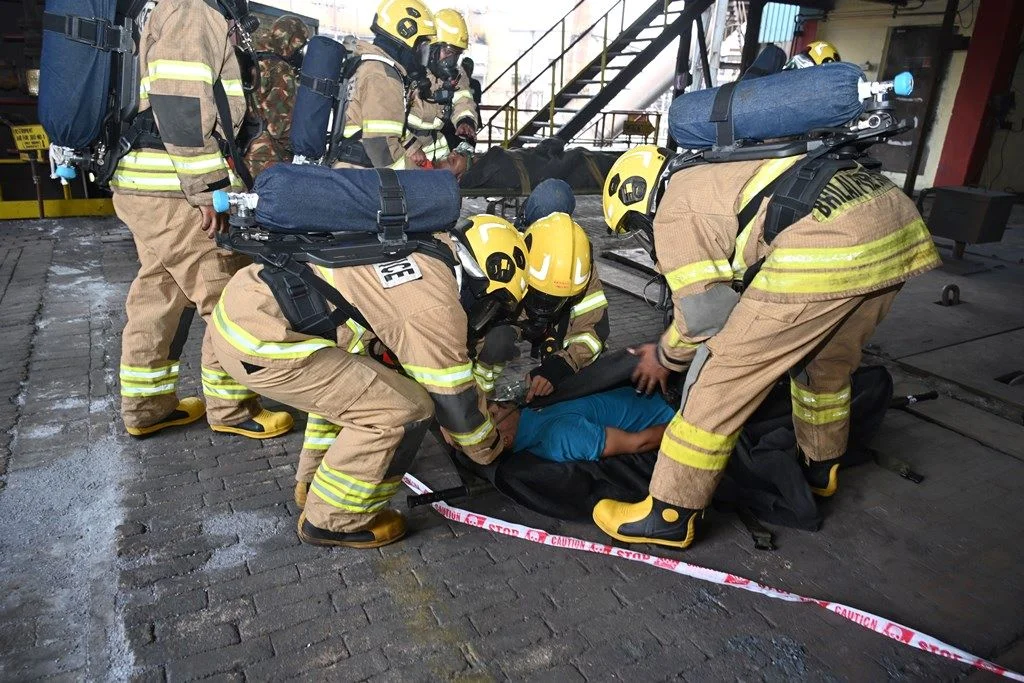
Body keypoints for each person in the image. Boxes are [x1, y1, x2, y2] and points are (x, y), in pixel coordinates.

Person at [592, 144, 941, 549]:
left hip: (826, 249)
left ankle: (670, 513)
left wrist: (665, 355)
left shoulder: (673, 207)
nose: (642, 234)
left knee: (720, 383)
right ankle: (821, 467)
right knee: (825, 364)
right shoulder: (715, 172)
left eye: (634, 224)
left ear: (639, 198)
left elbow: (704, 316)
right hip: (895, 228)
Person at [211, 214, 529, 547]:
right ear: (487, 277)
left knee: (360, 388)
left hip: (246, 311)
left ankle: (312, 483)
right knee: (404, 409)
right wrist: (488, 450)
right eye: (493, 306)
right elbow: (455, 400)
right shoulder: (436, 306)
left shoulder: (427, 249)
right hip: (263, 344)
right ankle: (334, 521)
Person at [111, 0, 292, 440]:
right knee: (226, 297)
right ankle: (232, 410)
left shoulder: (166, 7)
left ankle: (146, 407)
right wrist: (209, 188)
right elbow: (182, 106)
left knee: (159, 293)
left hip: (147, 185)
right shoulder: (192, 9)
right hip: (177, 191)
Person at [330, 0, 435, 170]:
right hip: (362, 173)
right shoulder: (383, 76)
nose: (421, 53)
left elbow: (377, 125)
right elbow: (381, 149)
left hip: (352, 168)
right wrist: (419, 177)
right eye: (420, 45)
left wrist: (412, 146)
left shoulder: (370, 65)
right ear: (405, 36)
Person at [490, 387, 676, 462]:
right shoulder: (560, 436)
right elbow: (638, 443)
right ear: (506, 439)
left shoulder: (535, 412)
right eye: (492, 415)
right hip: (675, 407)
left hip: (661, 388)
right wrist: (689, 423)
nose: (495, 407)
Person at [405, 8, 475, 175]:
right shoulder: (407, 72)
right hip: (404, 148)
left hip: (433, 150)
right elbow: (389, 118)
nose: (452, 61)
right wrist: (410, 146)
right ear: (431, 48)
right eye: (449, 52)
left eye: (457, 54)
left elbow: (463, 100)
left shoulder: (457, 75)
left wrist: (465, 121)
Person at [245, 15, 310, 176]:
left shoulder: (252, 58)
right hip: (268, 158)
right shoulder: (280, 69)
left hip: (244, 150)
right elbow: (279, 126)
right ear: (292, 41)